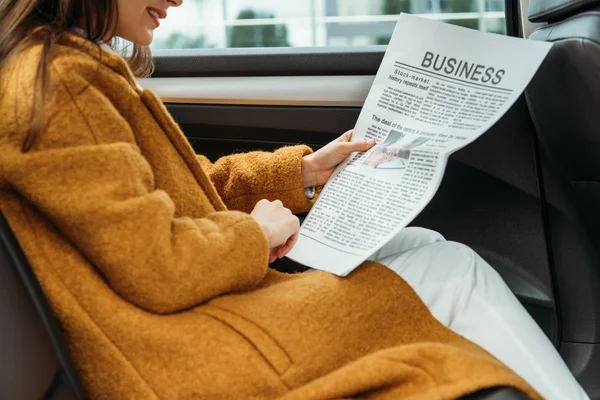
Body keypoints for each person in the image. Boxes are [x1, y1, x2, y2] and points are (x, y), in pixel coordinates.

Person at [0, 1, 589, 399]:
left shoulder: (71, 68)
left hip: (185, 319)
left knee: (422, 245)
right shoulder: (59, 82)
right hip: (174, 352)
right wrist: (252, 235)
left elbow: (174, 189)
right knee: (452, 271)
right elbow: (158, 266)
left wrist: (300, 174)